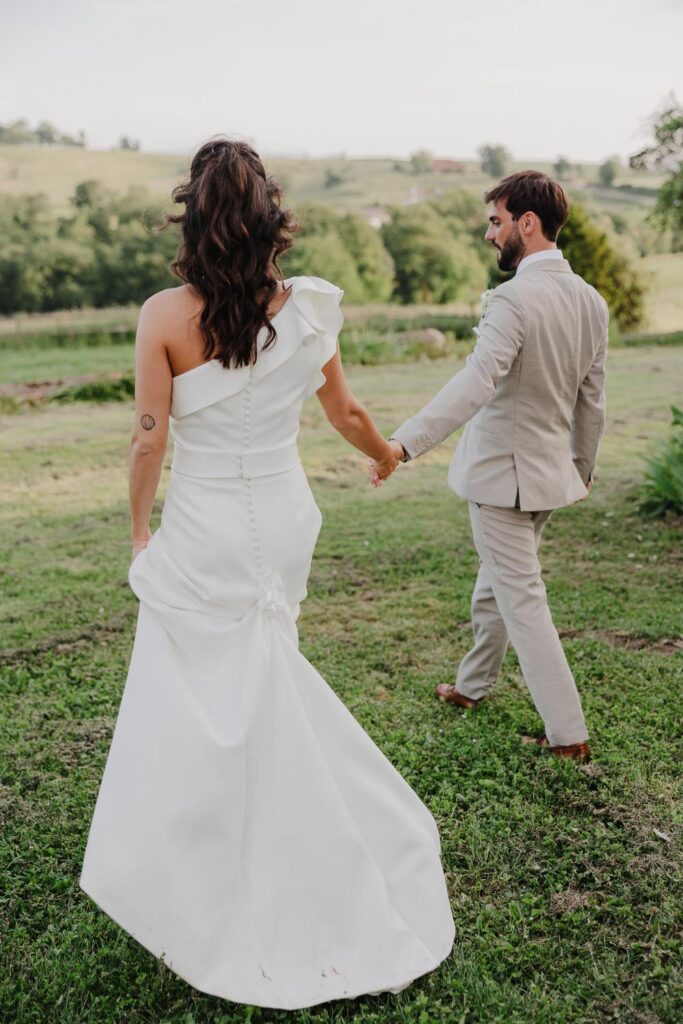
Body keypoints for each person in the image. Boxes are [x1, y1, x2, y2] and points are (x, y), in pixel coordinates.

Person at [78, 138, 454, 1011]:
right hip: (280, 518)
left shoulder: (164, 315)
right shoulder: (310, 309)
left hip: (208, 524)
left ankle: (232, 852)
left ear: (195, 220)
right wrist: (387, 456)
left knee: (209, 686)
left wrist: (141, 534)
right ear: (269, 219)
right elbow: (346, 412)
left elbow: (147, 435)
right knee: (264, 671)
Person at [376, 171, 608, 764]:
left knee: (522, 601)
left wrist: (403, 444)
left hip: (503, 480)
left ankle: (568, 735)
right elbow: (592, 399)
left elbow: (475, 383)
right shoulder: (591, 301)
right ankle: (472, 686)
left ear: (526, 224)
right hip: (550, 477)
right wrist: (580, 468)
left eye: (496, 221)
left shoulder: (513, 299)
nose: (489, 234)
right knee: (496, 587)